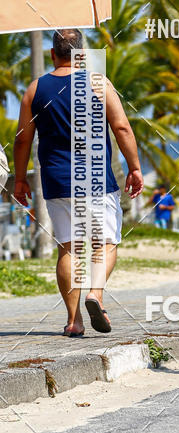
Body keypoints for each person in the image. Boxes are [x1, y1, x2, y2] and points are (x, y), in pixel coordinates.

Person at [13, 28, 144, 337]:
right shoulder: (98, 82)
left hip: (57, 180)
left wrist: (20, 179)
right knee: (104, 243)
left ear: (53, 54)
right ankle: (95, 295)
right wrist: (135, 167)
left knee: (68, 248)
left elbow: (22, 141)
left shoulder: (35, 89)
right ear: (82, 54)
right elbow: (122, 127)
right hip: (97, 178)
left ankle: (74, 321)